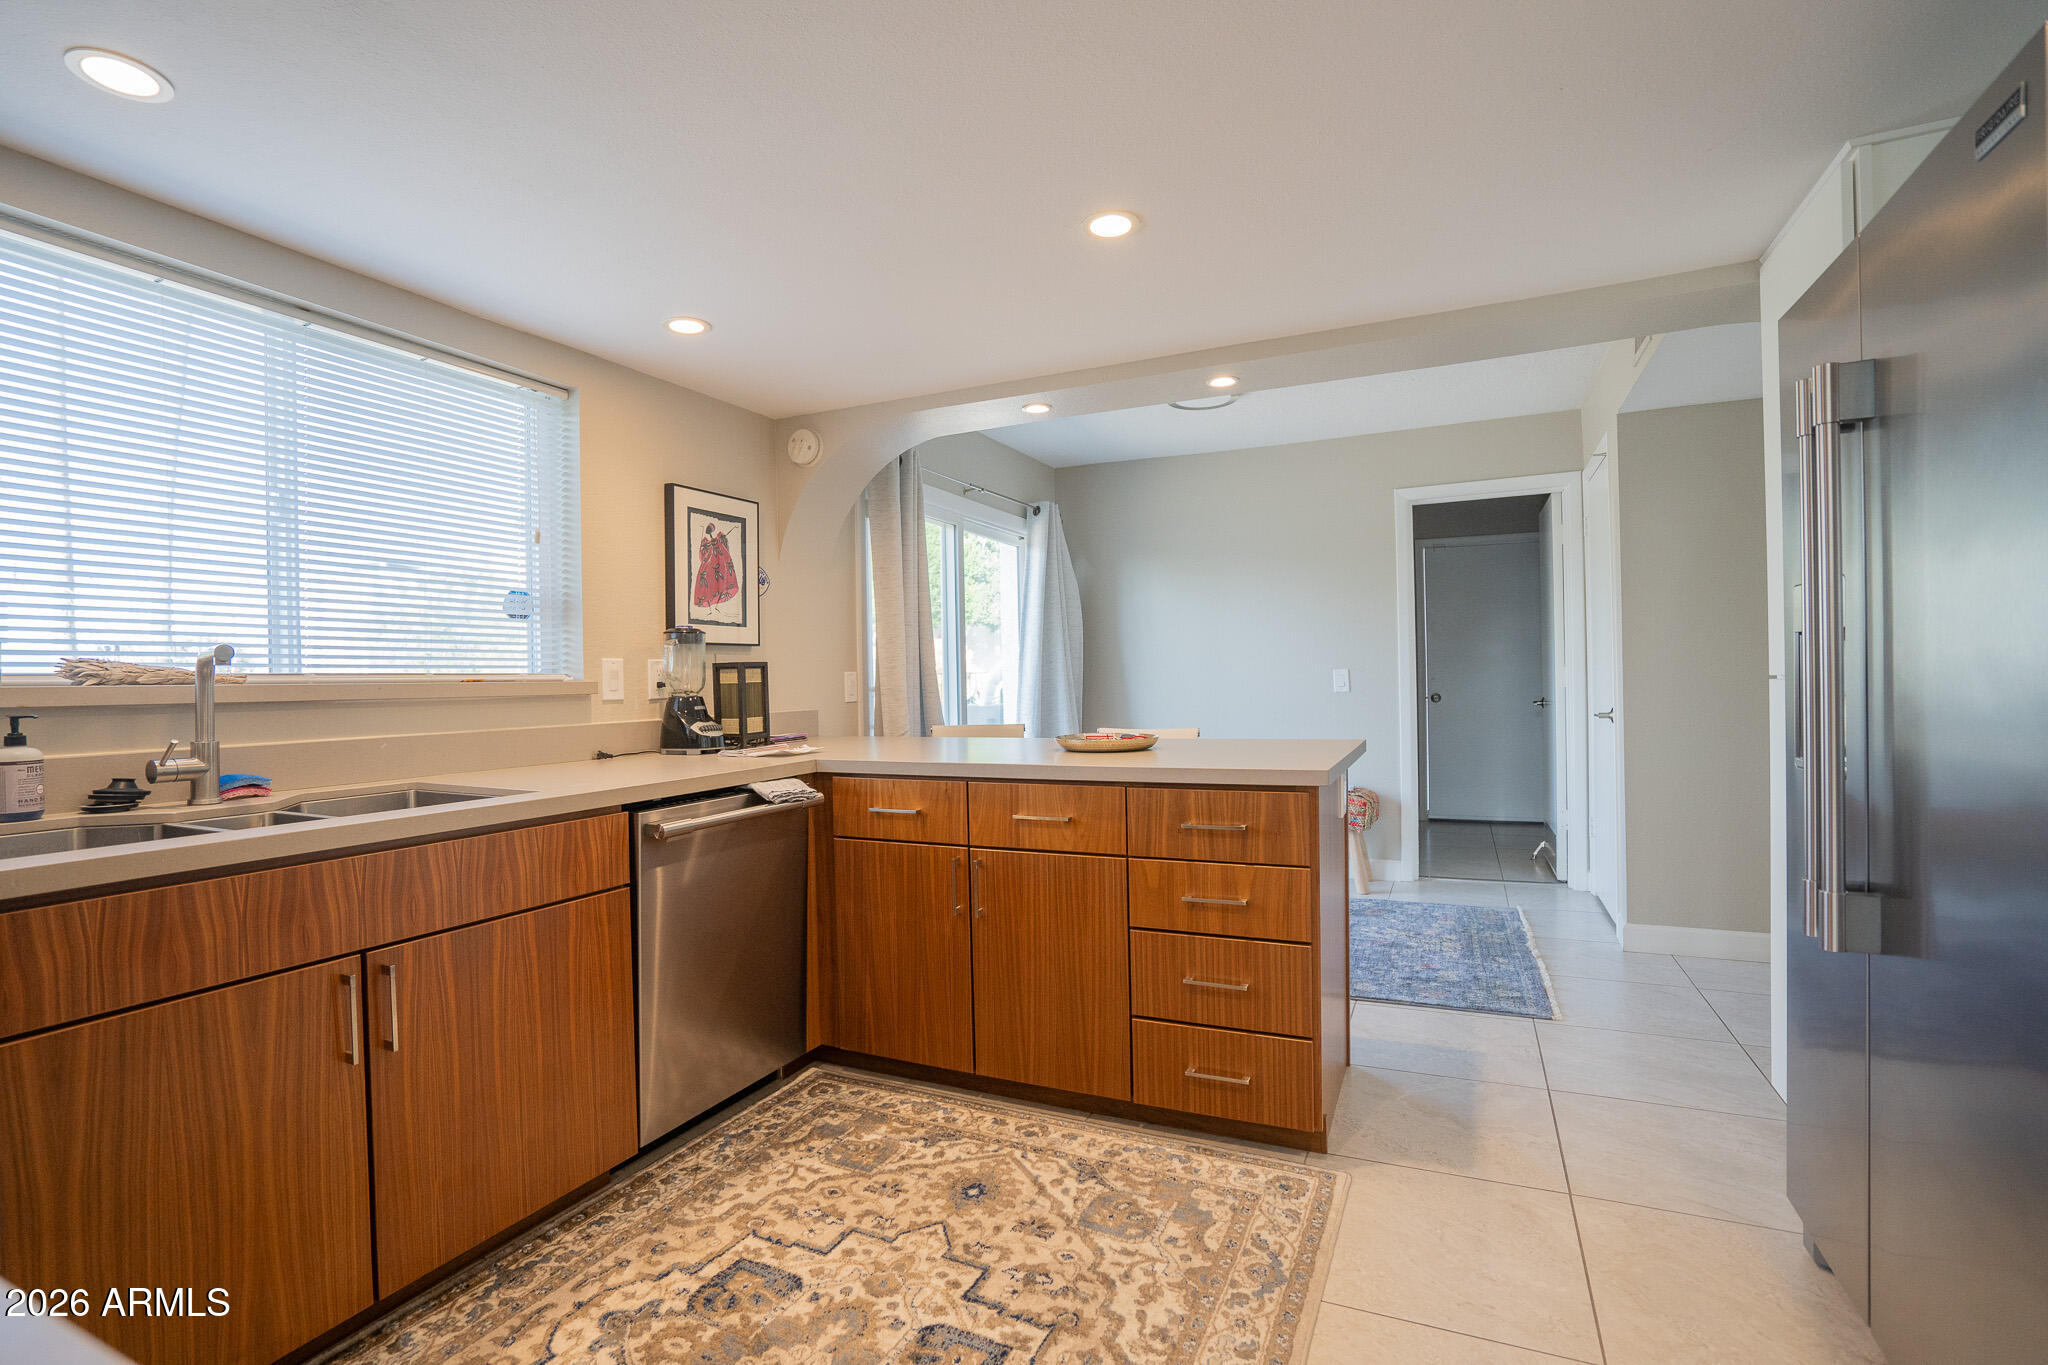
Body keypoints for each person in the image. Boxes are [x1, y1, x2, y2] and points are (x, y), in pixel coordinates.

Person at [693, 519, 739, 609]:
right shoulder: (709, 543)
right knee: (711, 583)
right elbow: (703, 555)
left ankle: (716, 602)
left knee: (718, 581)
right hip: (713, 564)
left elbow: (724, 548)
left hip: (719, 563)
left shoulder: (718, 539)